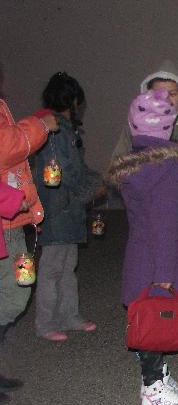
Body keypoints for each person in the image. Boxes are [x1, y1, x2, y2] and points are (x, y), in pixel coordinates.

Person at [107, 88, 178, 405]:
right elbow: (165, 222)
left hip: (142, 255)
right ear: (167, 127)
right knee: (155, 321)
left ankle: (158, 375)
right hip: (161, 258)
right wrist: (164, 273)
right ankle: (152, 388)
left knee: (151, 320)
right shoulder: (166, 168)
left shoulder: (135, 165)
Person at [0, 65, 58, 405]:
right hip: (6, 217)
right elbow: (6, 146)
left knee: (18, 291)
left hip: (13, 221)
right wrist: (40, 125)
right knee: (11, 295)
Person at [33, 73, 101, 342]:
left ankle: (69, 315)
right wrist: (92, 188)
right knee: (52, 267)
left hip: (68, 207)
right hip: (56, 207)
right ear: (72, 100)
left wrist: (97, 180)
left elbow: (77, 167)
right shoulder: (54, 129)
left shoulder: (65, 128)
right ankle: (45, 322)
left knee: (67, 265)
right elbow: (64, 170)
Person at [111, 62, 178, 159]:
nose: (165, 100)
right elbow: (117, 163)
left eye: (172, 94)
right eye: (158, 94)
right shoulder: (134, 128)